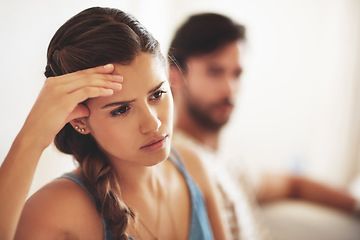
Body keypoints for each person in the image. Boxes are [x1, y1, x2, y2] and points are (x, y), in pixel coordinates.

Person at [0, 7, 229, 240]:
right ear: (80, 119)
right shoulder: (54, 211)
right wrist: (31, 137)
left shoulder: (194, 167)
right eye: (121, 110)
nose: (152, 123)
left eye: (157, 94)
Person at [168, 12, 359, 240]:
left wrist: (356, 204)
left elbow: (293, 185)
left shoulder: (229, 164)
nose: (229, 89)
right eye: (215, 71)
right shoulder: (174, 161)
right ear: (175, 76)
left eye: (236, 74)